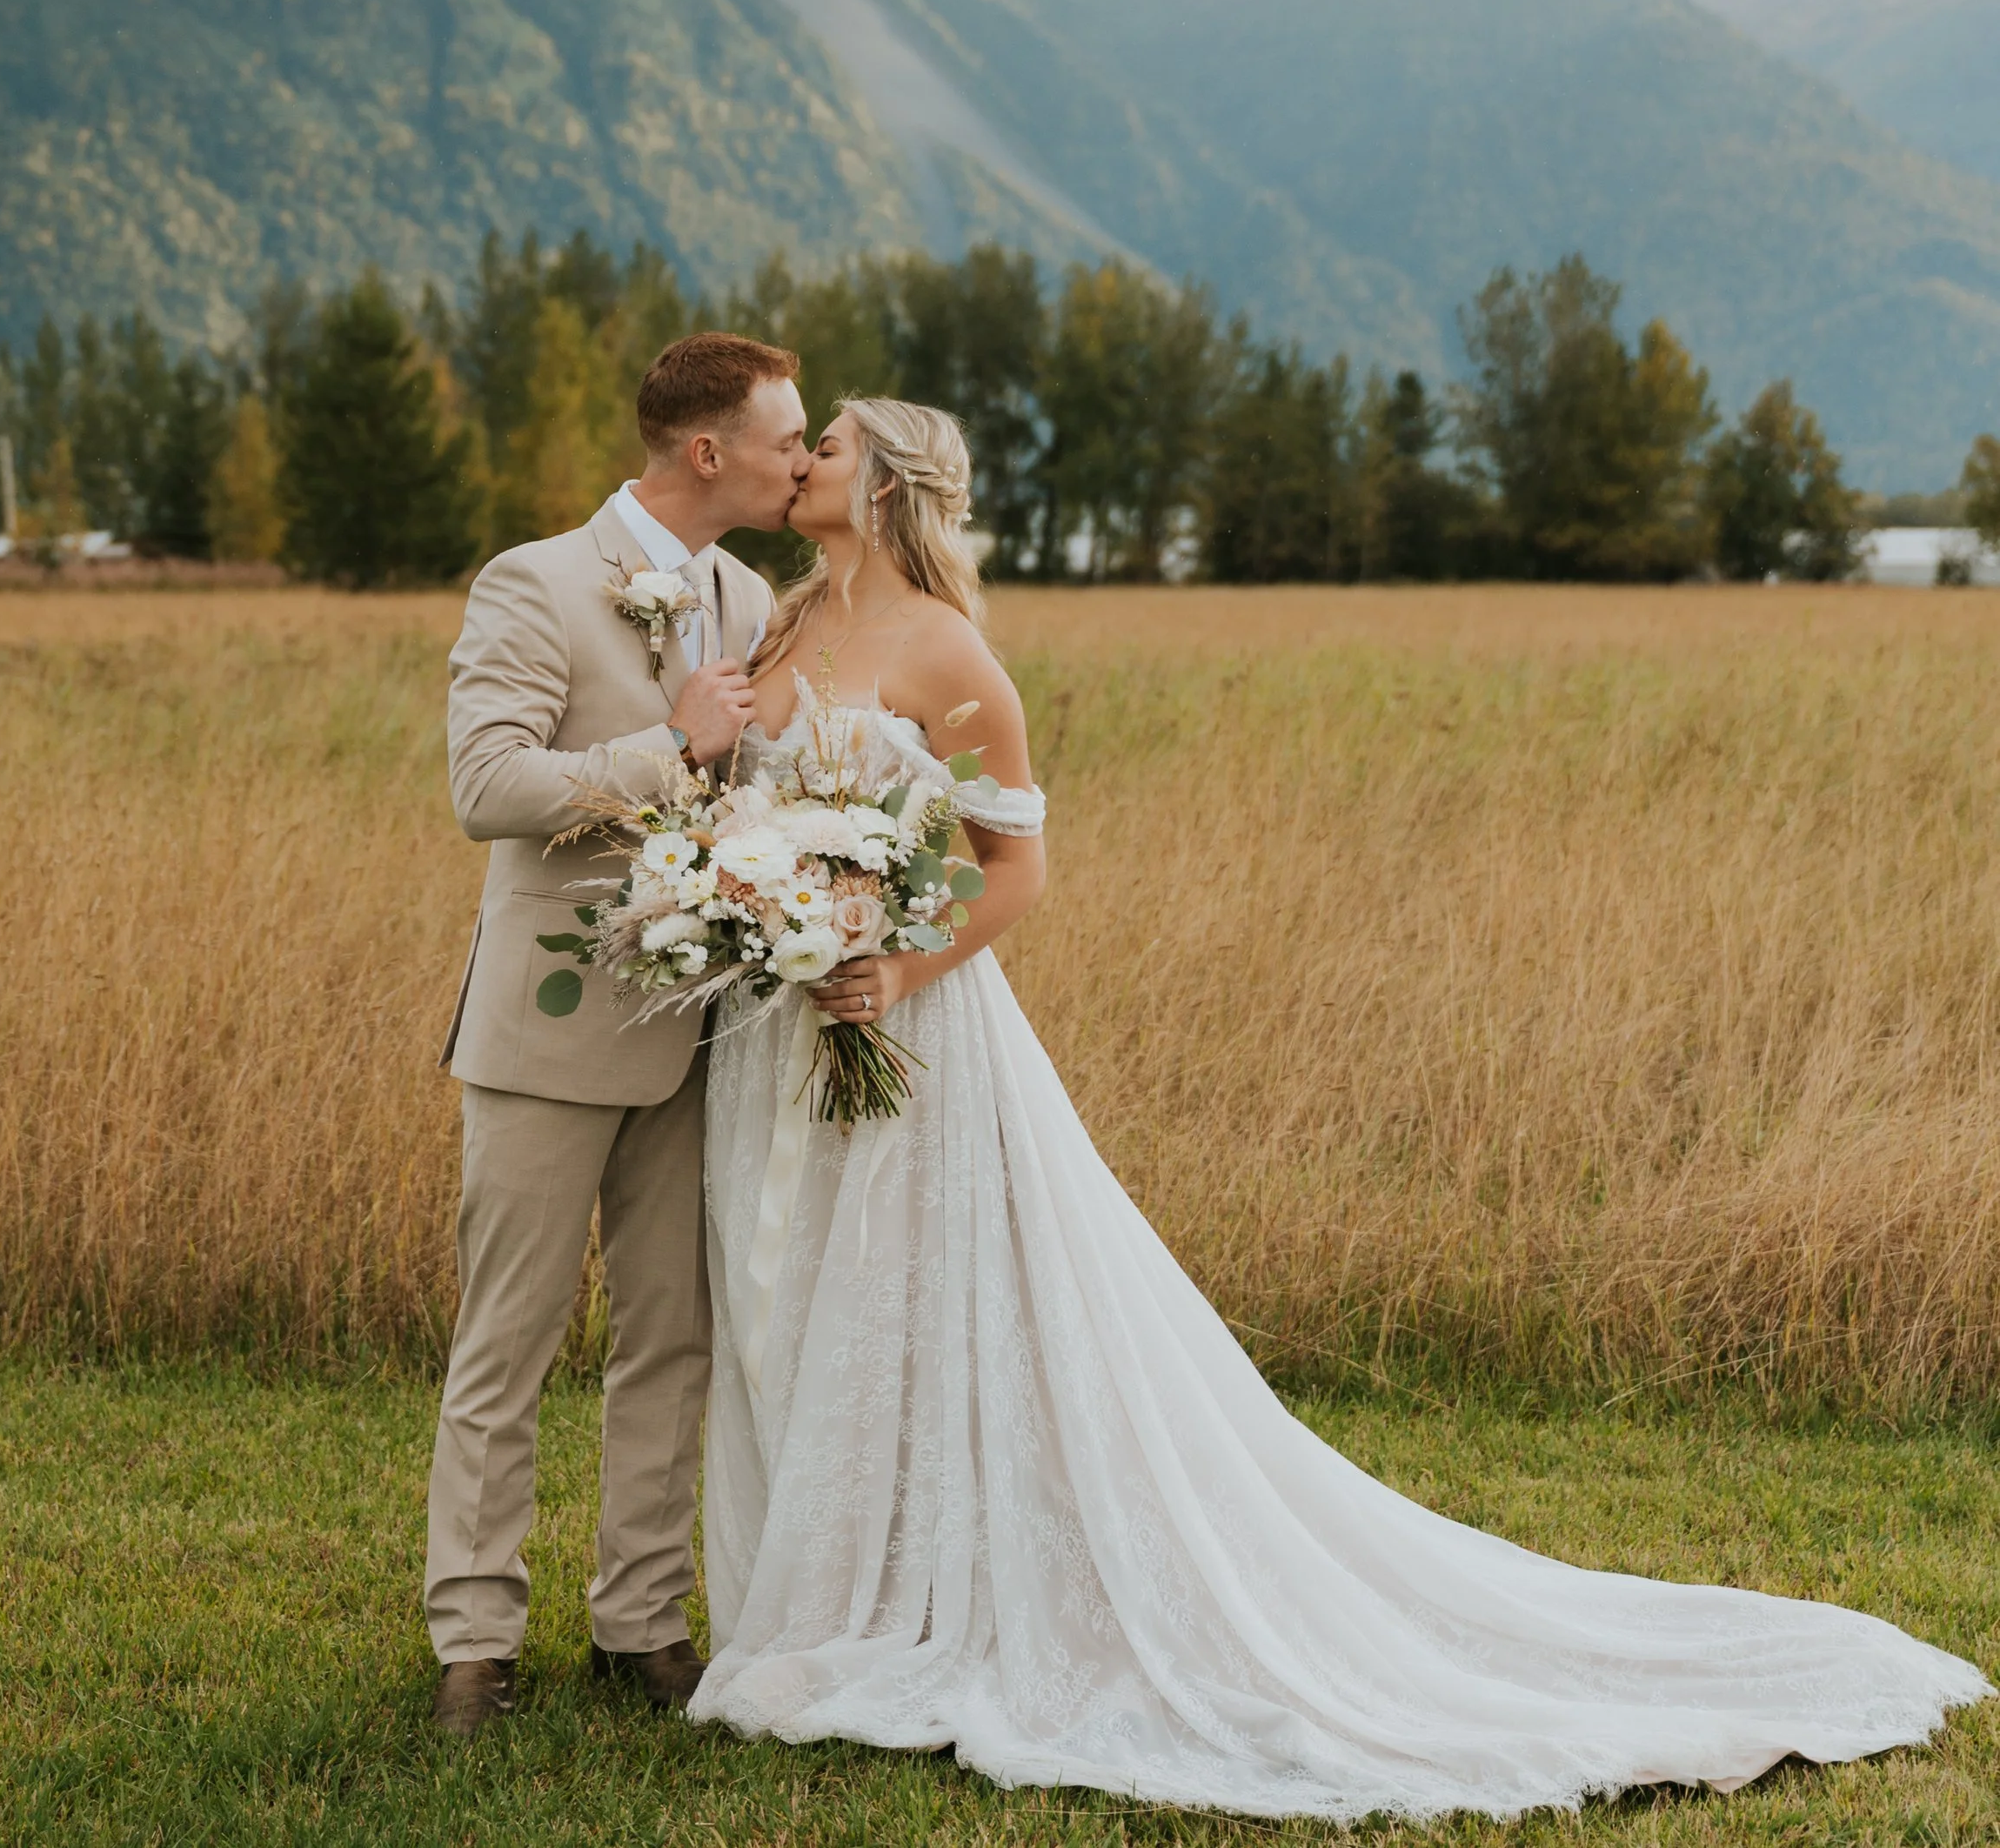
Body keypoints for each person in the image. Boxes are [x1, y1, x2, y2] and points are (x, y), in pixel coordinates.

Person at [692, 394, 1987, 1821]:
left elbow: (1016, 871)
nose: (802, 459)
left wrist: (896, 964)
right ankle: (829, 1596)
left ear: (884, 484)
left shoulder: (953, 656)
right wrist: (746, 893)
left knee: (918, 1302)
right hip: (773, 1033)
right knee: (805, 1298)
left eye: (830, 446)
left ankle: (931, 1603)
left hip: (906, 1028)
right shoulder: (779, 627)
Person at [424, 330, 807, 1739]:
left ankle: (641, 1625)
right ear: (708, 450)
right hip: (551, 1025)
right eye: (786, 437)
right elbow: (488, 785)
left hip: (700, 1028)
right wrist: (674, 748)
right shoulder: (533, 582)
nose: (801, 458)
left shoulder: (751, 592)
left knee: (673, 1340)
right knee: (506, 1345)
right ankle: (474, 1642)